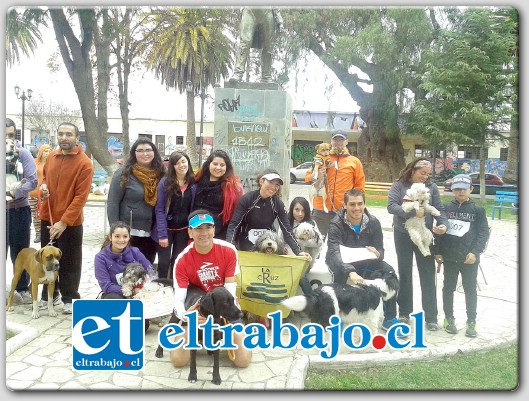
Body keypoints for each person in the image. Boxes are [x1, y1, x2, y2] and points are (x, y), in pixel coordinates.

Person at [170, 210, 252, 369]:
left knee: (243, 361)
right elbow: (178, 300)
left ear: (214, 230)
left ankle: (229, 337)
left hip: (224, 305)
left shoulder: (228, 250)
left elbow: (230, 292)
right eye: (198, 228)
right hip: (198, 306)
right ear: (190, 232)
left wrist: (226, 320)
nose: (204, 233)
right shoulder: (182, 259)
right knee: (178, 361)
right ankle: (197, 336)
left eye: (208, 227)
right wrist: (186, 316)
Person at [326, 188, 401, 331]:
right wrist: (350, 272)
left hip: (366, 262)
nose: (357, 208)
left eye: (360, 204)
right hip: (341, 262)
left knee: (389, 272)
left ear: (364, 204)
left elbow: (380, 250)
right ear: (345, 205)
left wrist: (378, 254)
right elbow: (334, 252)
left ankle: (390, 318)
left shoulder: (373, 222)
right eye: (352, 204)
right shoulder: (336, 223)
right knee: (339, 273)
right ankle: (337, 319)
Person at [39, 122, 94, 314]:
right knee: (46, 258)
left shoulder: (85, 163)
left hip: (70, 222)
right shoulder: (52, 157)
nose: (64, 138)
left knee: (70, 260)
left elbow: (81, 197)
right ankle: (49, 296)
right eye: (61, 134)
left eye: (69, 134)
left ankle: (70, 297)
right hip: (49, 217)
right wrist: (43, 189)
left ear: (77, 138)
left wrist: (64, 222)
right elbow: (45, 180)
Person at [387, 158, 448, 331]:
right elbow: (391, 206)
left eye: (428, 174)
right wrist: (412, 211)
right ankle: (405, 312)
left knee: (427, 273)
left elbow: (439, 209)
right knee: (405, 273)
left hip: (424, 235)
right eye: (422, 173)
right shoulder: (399, 185)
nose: (425, 177)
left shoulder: (432, 187)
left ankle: (431, 317)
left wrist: (443, 224)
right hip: (403, 234)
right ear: (412, 170)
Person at [434, 174, 490, 337]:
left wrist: (475, 252)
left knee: (470, 289)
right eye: (457, 189)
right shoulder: (445, 208)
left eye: (464, 189)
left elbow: (483, 233)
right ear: (452, 190)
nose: (461, 192)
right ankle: (448, 318)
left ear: (471, 190)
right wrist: (437, 251)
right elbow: (439, 231)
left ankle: (471, 320)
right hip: (450, 257)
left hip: (469, 258)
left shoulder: (478, 210)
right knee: (448, 288)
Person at [226, 169, 312, 261]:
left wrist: (298, 251)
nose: (273, 187)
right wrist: (229, 248)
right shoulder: (247, 199)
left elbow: (286, 228)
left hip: (270, 241)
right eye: (271, 182)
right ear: (261, 181)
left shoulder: (277, 203)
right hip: (248, 242)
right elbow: (234, 225)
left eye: (277, 185)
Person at [107, 138, 165, 264]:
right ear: (134, 153)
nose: (145, 154)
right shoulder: (124, 174)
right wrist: (115, 230)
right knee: (126, 268)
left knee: (146, 267)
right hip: (129, 231)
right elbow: (113, 203)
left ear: (154, 152)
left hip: (151, 231)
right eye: (140, 150)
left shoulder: (161, 174)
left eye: (148, 150)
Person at [6, 118, 38, 305]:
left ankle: (22, 288)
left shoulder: (23, 153)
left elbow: (32, 181)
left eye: (10, 135)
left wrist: (11, 193)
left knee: (21, 253)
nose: (7, 139)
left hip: (18, 209)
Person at [312, 129, 365, 240]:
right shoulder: (323, 158)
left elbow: (359, 187)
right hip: (321, 208)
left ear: (347, 142)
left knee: (340, 244)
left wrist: (356, 206)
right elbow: (308, 178)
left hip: (342, 210)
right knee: (316, 243)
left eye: (341, 140)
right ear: (331, 141)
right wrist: (318, 175)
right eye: (335, 139)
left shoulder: (354, 161)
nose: (338, 142)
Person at [152, 151, 196, 280]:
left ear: (188, 162)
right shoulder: (165, 182)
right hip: (166, 230)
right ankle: (162, 284)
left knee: (178, 261)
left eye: (183, 161)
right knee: (164, 262)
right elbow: (159, 209)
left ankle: (174, 286)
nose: (181, 165)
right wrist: (162, 235)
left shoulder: (193, 183)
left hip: (183, 230)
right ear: (172, 166)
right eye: (177, 163)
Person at [94, 221, 155, 299]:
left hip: (139, 290)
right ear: (110, 237)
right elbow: (106, 286)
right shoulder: (101, 258)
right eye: (117, 236)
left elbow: (150, 270)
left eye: (125, 236)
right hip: (116, 292)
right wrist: (132, 291)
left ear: (129, 237)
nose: (121, 240)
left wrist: (144, 285)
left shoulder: (135, 252)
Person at [192, 149, 243, 240]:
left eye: (222, 165)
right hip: (195, 230)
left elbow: (234, 215)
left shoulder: (232, 187)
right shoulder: (196, 181)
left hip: (218, 234)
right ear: (208, 164)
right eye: (215, 164)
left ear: (227, 167)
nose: (218, 168)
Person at [229, 7, 284, 83]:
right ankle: (237, 73)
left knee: (268, 46)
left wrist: (279, 20)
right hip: (249, 10)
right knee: (244, 42)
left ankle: (266, 76)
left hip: (268, 11)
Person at [287, 196, 323, 295]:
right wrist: (300, 241)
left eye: (303, 210)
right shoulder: (286, 222)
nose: (300, 214)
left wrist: (297, 241)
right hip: (288, 258)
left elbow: (319, 242)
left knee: (301, 276)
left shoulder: (312, 223)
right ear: (291, 209)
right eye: (297, 210)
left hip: (306, 259)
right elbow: (282, 242)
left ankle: (312, 300)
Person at [28, 144, 52, 244]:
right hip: (33, 192)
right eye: (45, 151)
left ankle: (45, 233)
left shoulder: (52, 163)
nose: (47, 153)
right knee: (35, 214)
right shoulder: (34, 162)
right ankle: (38, 233)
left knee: (44, 214)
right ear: (41, 153)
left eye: (49, 151)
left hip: (44, 194)